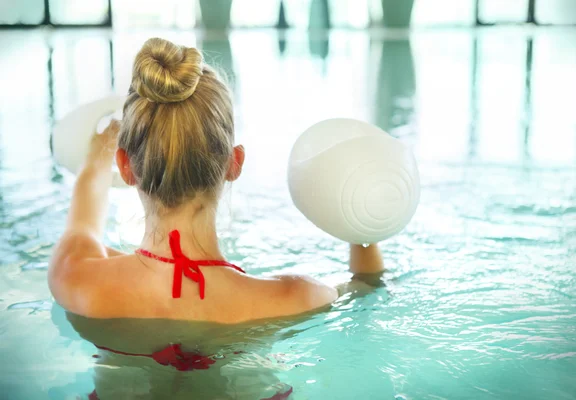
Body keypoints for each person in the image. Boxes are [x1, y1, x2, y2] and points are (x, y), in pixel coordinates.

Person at [47, 37, 384, 398]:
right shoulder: (296, 297)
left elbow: (82, 227)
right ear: (234, 163)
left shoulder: (79, 279)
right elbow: (366, 287)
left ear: (125, 167)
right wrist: (361, 221)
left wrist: (97, 159)